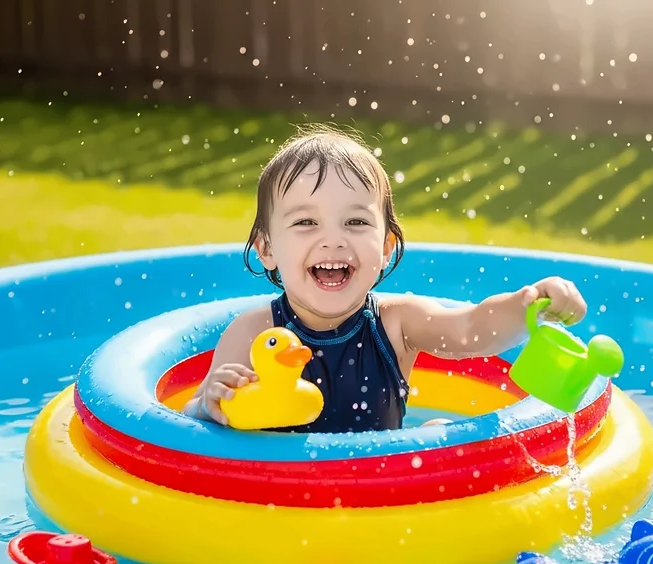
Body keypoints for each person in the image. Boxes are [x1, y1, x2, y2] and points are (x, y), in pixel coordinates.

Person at [183, 125, 587, 432]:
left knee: (438, 436)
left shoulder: (397, 324)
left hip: (383, 502)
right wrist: (209, 404)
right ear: (266, 248)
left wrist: (527, 304)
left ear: (386, 246)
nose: (333, 240)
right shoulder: (253, 334)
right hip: (282, 507)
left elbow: (472, 329)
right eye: (306, 221)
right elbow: (187, 425)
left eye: (356, 221)